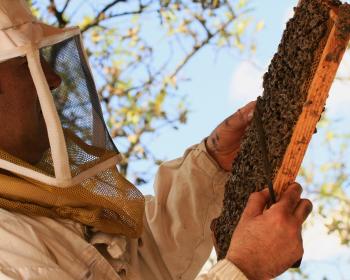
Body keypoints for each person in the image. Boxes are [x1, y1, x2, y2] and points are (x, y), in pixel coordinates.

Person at [0, 1, 312, 279]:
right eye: (24, 65)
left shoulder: (37, 205)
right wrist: (245, 268)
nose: (53, 79)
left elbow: (144, 266)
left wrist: (211, 165)